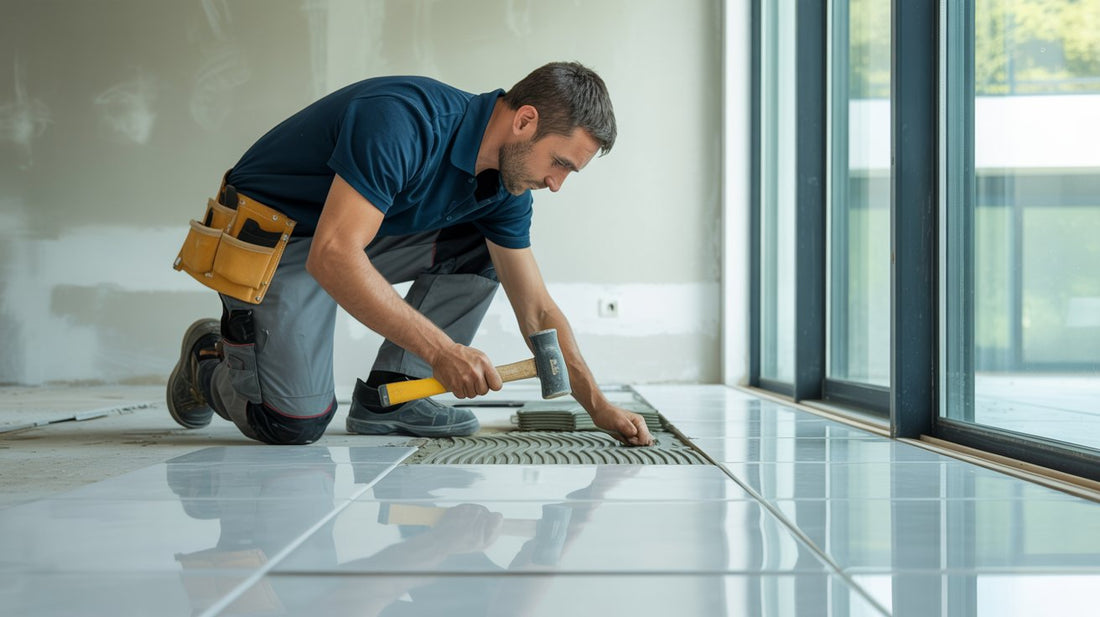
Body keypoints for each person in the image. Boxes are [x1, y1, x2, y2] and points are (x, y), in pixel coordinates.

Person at [167, 61, 654, 447]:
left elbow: (537, 307)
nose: (556, 184)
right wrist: (444, 352)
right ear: (525, 121)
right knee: (293, 424)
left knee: (482, 246)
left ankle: (393, 398)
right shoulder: (403, 121)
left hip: (346, 237)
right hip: (274, 242)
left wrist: (598, 405)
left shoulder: (507, 190)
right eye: (559, 163)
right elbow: (333, 255)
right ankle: (207, 360)